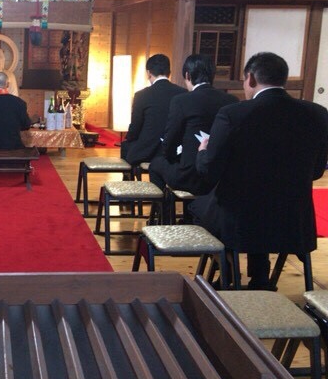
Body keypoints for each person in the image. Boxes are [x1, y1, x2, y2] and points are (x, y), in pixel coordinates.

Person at [192, 52, 328, 290]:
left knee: (199, 208)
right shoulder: (317, 114)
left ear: (251, 78)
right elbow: (317, 171)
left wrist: (202, 151)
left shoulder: (234, 114)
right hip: (293, 221)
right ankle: (260, 278)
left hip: (241, 221)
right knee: (259, 205)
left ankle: (227, 272)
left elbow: (209, 170)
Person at [149, 54, 238, 194]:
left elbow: (170, 141)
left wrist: (172, 158)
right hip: (220, 176)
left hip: (190, 176)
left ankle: (163, 208)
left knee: (156, 164)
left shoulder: (181, 100)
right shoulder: (231, 100)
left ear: (187, 75)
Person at [120, 54, 187, 166]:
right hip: (173, 151)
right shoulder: (183, 93)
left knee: (126, 146)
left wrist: (129, 138)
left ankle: (129, 176)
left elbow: (135, 127)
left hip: (147, 151)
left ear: (149, 73)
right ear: (169, 72)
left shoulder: (141, 95)